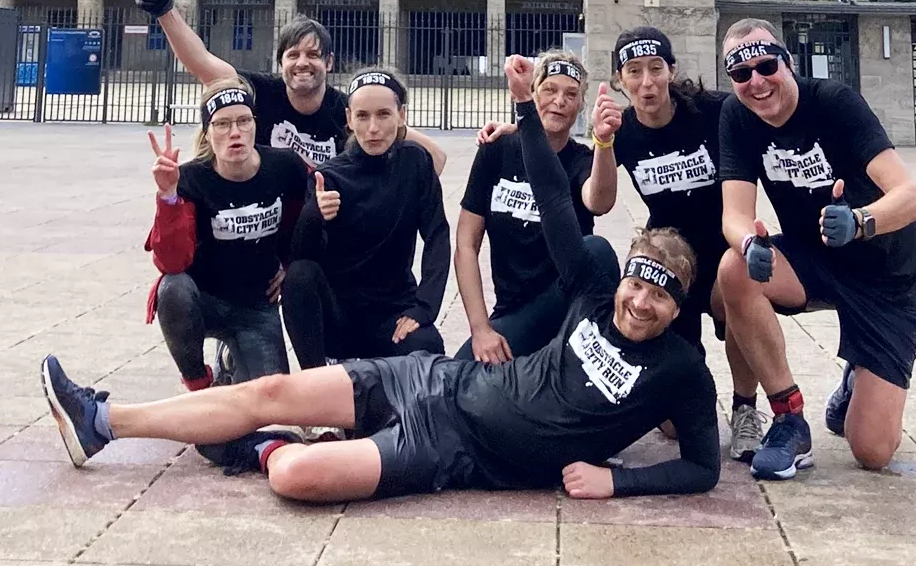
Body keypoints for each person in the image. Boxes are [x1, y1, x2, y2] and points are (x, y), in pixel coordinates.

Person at [40, 54, 719, 504]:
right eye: (639, 282)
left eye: (659, 294)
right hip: (433, 382)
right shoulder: (596, 295)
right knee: (269, 388)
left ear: (677, 305)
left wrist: (618, 480)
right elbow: (554, 203)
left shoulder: (681, 370)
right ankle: (101, 418)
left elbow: (702, 468)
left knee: (296, 475)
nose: (640, 300)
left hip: (453, 449)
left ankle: (254, 446)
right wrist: (524, 113)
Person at [714, 18, 916, 482]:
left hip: (885, 274)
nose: (756, 82)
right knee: (733, 270)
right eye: (741, 74)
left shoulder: (834, 103)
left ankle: (858, 378)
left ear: (787, 62)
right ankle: (789, 420)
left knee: (872, 451)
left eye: (766, 65)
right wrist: (749, 242)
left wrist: (860, 221)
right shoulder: (736, 116)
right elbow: (734, 214)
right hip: (814, 261)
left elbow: (912, 198)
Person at [578, 26, 768, 463]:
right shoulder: (620, 130)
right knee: (673, 429)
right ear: (620, 80)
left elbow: (769, 120)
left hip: (722, 249)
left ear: (671, 71)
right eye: (634, 71)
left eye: (655, 69)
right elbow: (599, 202)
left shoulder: (713, 111)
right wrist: (602, 141)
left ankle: (745, 407)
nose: (647, 82)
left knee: (737, 295)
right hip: (673, 263)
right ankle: (686, 389)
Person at [135, 0, 446, 173]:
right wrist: (165, 11)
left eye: (313, 54)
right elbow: (201, 62)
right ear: (280, 62)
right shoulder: (258, 92)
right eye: (293, 54)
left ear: (329, 62)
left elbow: (437, 157)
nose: (302, 63)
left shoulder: (348, 112)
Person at [143, 80, 309, 392]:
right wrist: (168, 197)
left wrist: (290, 265)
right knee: (172, 288)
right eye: (222, 124)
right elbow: (172, 262)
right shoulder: (191, 178)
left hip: (256, 307)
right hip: (203, 300)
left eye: (244, 121)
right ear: (208, 132)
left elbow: (306, 224)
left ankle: (233, 359)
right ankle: (199, 383)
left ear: (254, 125)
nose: (235, 132)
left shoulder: (284, 167)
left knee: (271, 400)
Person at [281, 69, 448, 368]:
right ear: (349, 118)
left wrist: (424, 308)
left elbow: (437, 235)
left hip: (392, 311)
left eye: (384, 114)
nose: (373, 128)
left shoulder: (415, 162)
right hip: (339, 315)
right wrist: (314, 214)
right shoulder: (329, 176)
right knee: (299, 275)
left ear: (401, 115)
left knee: (428, 348)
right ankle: (315, 385)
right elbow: (302, 259)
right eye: (362, 116)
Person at [455, 49, 612, 365]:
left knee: (597, 251)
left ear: (581, 104)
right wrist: (480, 329)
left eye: (571, 94)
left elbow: (599, 200)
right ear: (533, 92)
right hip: (513, 314)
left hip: (565, 308)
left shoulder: (581, 159)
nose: (559, 101)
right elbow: (465, 243)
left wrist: (604, 141)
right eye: (549, 90)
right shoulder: (496, 150)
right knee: (456, 378)